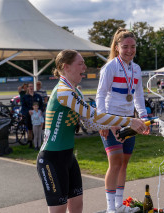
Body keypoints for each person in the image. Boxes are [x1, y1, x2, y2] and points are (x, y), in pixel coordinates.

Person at [36, 49, 147, 213]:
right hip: (51, 159)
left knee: (77, 206)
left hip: (68, 157)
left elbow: (89, 123)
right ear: (66, 67)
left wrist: (112, 126)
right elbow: (95, 116)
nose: (85, 67)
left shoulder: (75, 91)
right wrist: (130, 121)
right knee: (59, 210)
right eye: (80, 64)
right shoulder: (64, 92)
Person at [96, 28, 149, 213]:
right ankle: (111, 208)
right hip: (111, 120)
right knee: (115, 162)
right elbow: (100, 95)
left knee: (124, 162)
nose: (129, 50)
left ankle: (119, 205)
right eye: (125, 46)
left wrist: (143, 117)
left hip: (129, 121)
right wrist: (103, 122)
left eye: (133, 46)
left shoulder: (136, 68)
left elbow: (138, 95)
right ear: (117, 47)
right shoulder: (110, 67)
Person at [21, 83, 43, 147]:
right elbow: (23, 106)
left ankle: (37, 144)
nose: (31, 87)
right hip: (29, 115)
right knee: (30, 130)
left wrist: (40, 110)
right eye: (29, 86)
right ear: (27, 88)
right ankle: (30, 143)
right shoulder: (25, 97)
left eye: (32, 86)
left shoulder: (38, 96)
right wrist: (28, 111)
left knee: (37, 130)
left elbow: (41, 105)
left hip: (37, 116)